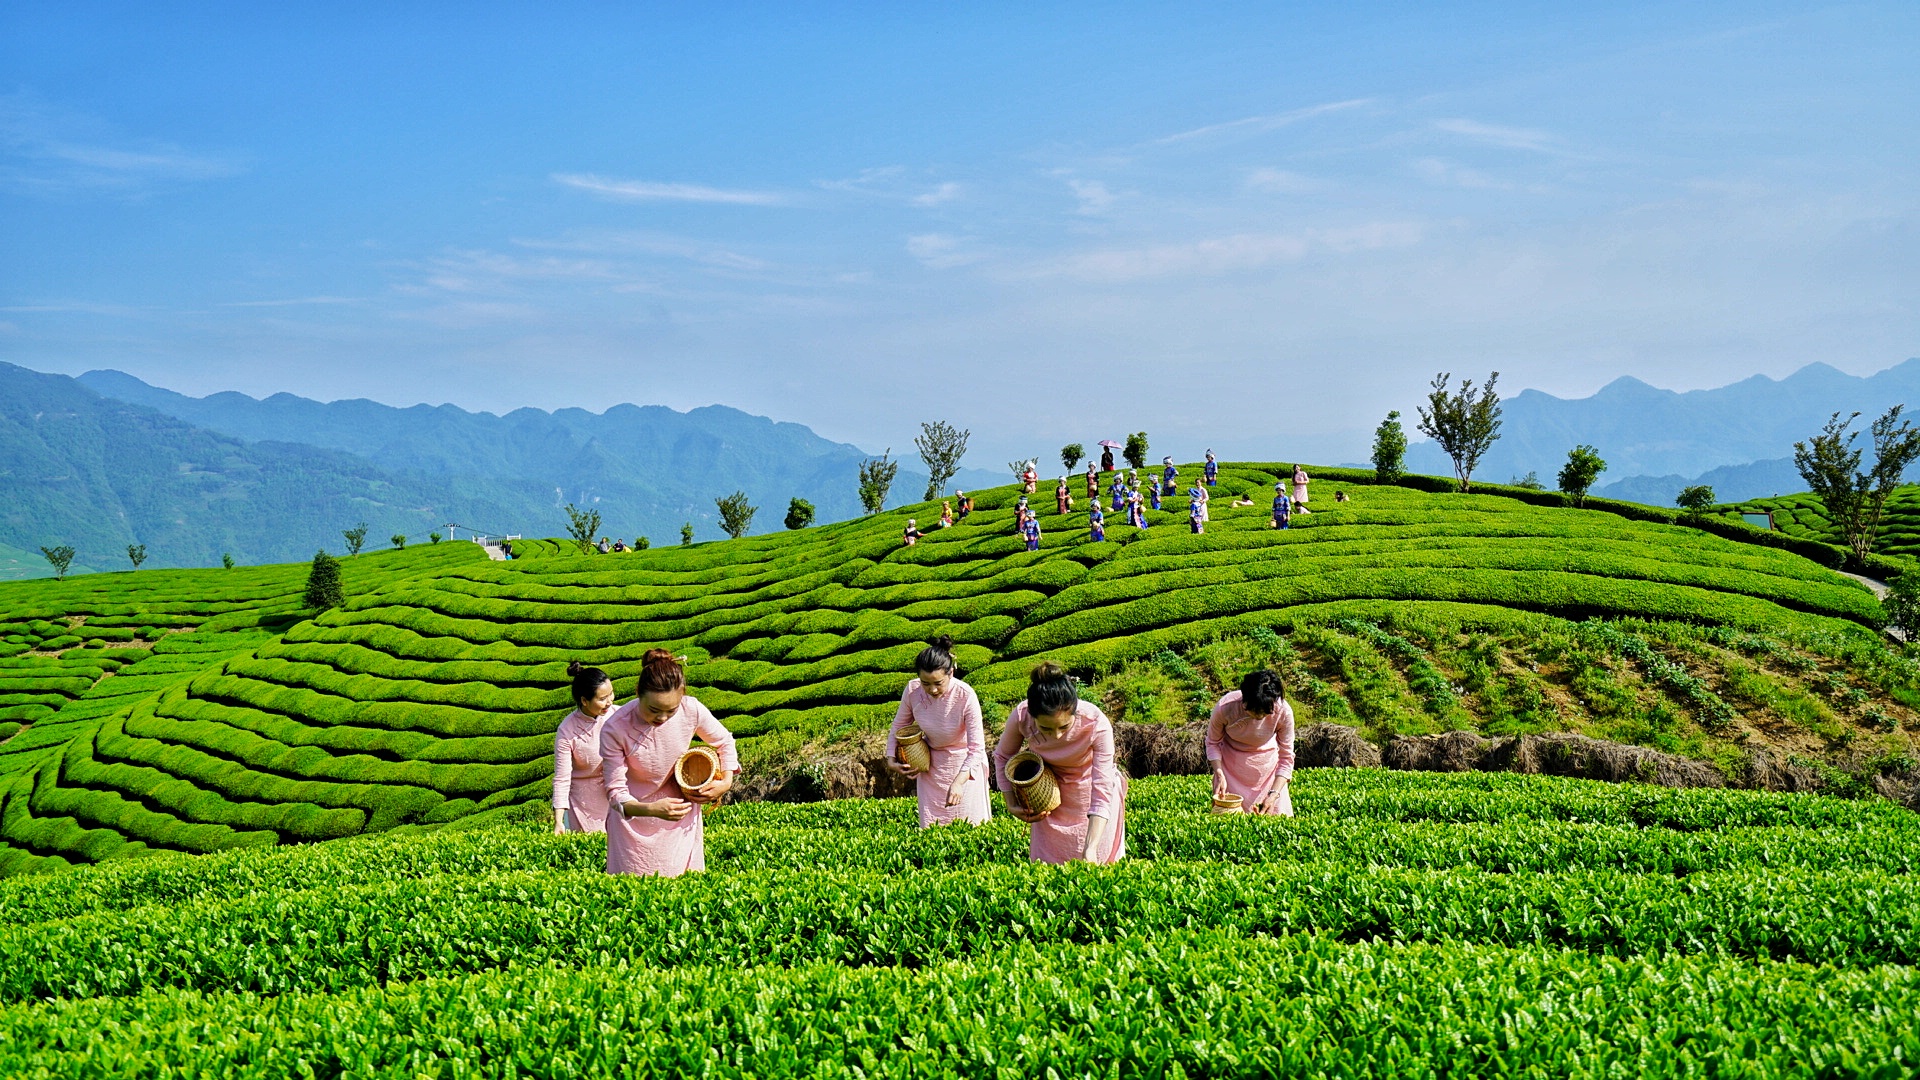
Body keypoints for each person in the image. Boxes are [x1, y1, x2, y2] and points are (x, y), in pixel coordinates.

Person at [599, 650, 738, 877]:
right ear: (638, 694)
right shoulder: (615, 728)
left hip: (680, 819)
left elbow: (724, 742)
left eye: (671, 711)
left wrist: (726, 781)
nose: (662, 718)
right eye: (653, 710)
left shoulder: (691, 709)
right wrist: (652, 809)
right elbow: (615, 793)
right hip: (633, 828)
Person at [994, 662, 1127, 864]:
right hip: (1048, 796)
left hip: (1089, 797)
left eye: (1064, 726)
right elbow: (1002, 756)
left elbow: (1101, 789)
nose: (1056, 735)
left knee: (1097, 867)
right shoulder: (1022, 716)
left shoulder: (1095, 724)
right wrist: (1011, 802)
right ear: (1033, 716)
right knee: (1048, 870)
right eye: (1045, 728)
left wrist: (1090, 848)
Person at [886, 636, 992, 827]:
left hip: (965, 766)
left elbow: (976, 748)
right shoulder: (912, 690)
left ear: (951, 673)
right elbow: (899, 725)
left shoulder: (966, 695)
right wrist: (890, 757)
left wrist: (959, 782)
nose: (932, 690)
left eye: (938, 683)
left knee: (971, 826)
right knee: (933, 827)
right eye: (925, 683)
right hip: (932, 766)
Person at [1207, 670, 1297, 816]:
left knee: (1274, 824)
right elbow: (1212, 743)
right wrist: (1219, 773)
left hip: (1267, 772)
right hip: (1230, 771)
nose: (1259, 717)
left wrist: (1274, 794)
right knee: (1231, 826)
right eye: (1254, 711)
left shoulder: (1283, 712)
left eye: (1264, 713)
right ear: (1244, 700)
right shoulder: (1225, 706)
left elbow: (1286, 757)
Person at [552, 661, 617, 834]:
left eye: (611, 694)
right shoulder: (567, 730)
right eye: (602, 699)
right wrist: (559, 821)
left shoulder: (619, 716)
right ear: (584, 701)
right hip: (585, 806)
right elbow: (562, 778)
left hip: (617, 796)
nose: (609, 702)